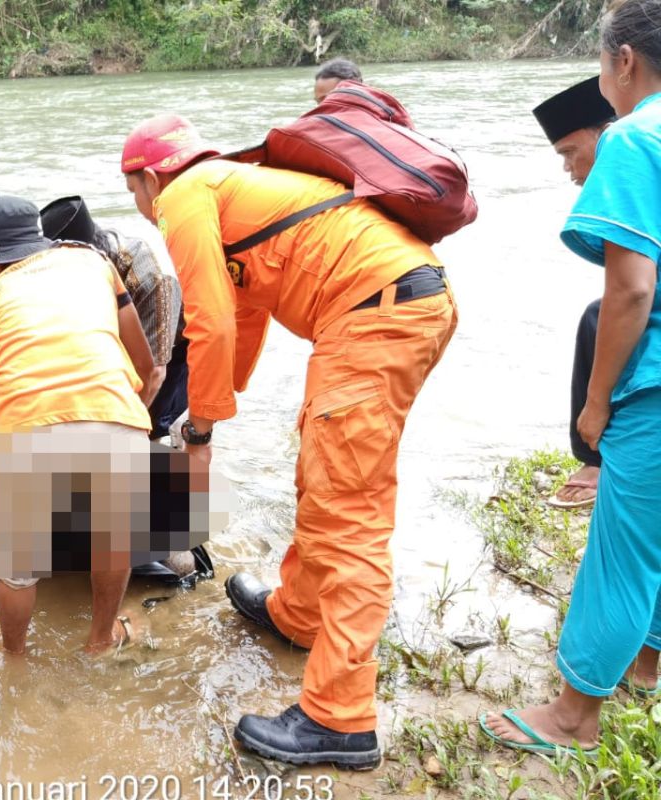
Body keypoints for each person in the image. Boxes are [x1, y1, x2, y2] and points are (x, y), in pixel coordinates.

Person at [120, 114, 457, 768]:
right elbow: (241, 316)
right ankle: (298, 615)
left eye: (132, 189)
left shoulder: (181, 199)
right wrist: (215, 405)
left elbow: (209, 323)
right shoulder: (231, 185)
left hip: (374, 314)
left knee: (350, 515)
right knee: (324, 471)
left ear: (150, 176)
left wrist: (201, 430)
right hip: (387, 305)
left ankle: (342, 719)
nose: (137, 205)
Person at [480, 0, 661, 757]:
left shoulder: (633, 136)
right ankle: (646, 668)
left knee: (620, 554)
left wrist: (594, 406)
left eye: (600, 65)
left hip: (655, 385)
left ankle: (572, 718)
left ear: (622, 61)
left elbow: (630, 290)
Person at [0, 195, 157, 654]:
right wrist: (130, 422)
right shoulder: (92, 261)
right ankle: (100, 641)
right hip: (114, 411)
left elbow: (5, 387)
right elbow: (144, 363)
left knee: (16, 566)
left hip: (24, 426)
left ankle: (15, 661)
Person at [530, 77, 617, 509]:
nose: (569, 170)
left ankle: (592, 459)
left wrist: (595, 404)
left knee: (600, 316)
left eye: (569, 153)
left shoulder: (631, 150)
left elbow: (633, 290)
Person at [40, 196, 182, 439]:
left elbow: (154, 373)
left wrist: (120, 429)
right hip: (118, 345)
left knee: (157, 427)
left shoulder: (149, 279)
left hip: (172, 351)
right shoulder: (85, 260)